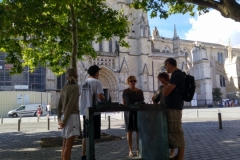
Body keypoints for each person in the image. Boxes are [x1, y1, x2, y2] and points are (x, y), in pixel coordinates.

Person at [79, 65, 105, 160]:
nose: (99, 74)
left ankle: (83, 155)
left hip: (84, 111)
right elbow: (100, 97)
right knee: (92, 135)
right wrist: (104, 98)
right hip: (94, 112)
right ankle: (91, 155)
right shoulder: (97, 82)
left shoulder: (83, 82)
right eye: (98, 72)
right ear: (96, 73)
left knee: (86, 134)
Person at [162, 58, 186, 160]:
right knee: (173, 131)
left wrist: (165, 88)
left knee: (176, 131)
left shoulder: (176, 75)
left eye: (165, 66)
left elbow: (165, 92)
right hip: (174, 107)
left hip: (174, 108)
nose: (165, 68)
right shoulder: (178, 75)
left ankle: (180, 157)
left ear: (169, 64)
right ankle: (177, 156)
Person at [57, 68, 80, 160]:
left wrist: (60, 119)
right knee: (68, 146)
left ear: (67, 77)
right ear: (76, 76)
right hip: (71, 117)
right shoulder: (75, 87)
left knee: (64, 144)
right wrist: (64, 121)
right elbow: (70, 106)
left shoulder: (64, 88)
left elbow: (59, 104)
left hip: (64, 116)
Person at [152, 72, 175, 158]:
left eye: (162, 78)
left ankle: (172, 150)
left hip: (171, 109)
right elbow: (156, 100)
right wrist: (153, 99)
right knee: (163, 130)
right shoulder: (161, 88)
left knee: (171, 130)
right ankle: (164, 149)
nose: (161, 80)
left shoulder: (172, 86)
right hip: (162, 111)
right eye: (160, 79)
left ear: (166, 78)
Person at [122, 76, 144, 157]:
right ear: (128, 82)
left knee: (139, 132)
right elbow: (124, 102)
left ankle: (138, 149)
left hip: (138, 113)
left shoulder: (140, 92)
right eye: (131, 81)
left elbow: (142, 102)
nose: (133, 82)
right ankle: (130, 150)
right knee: (129, 131)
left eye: (134, 81)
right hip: (128, 113)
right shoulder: (125, 92)